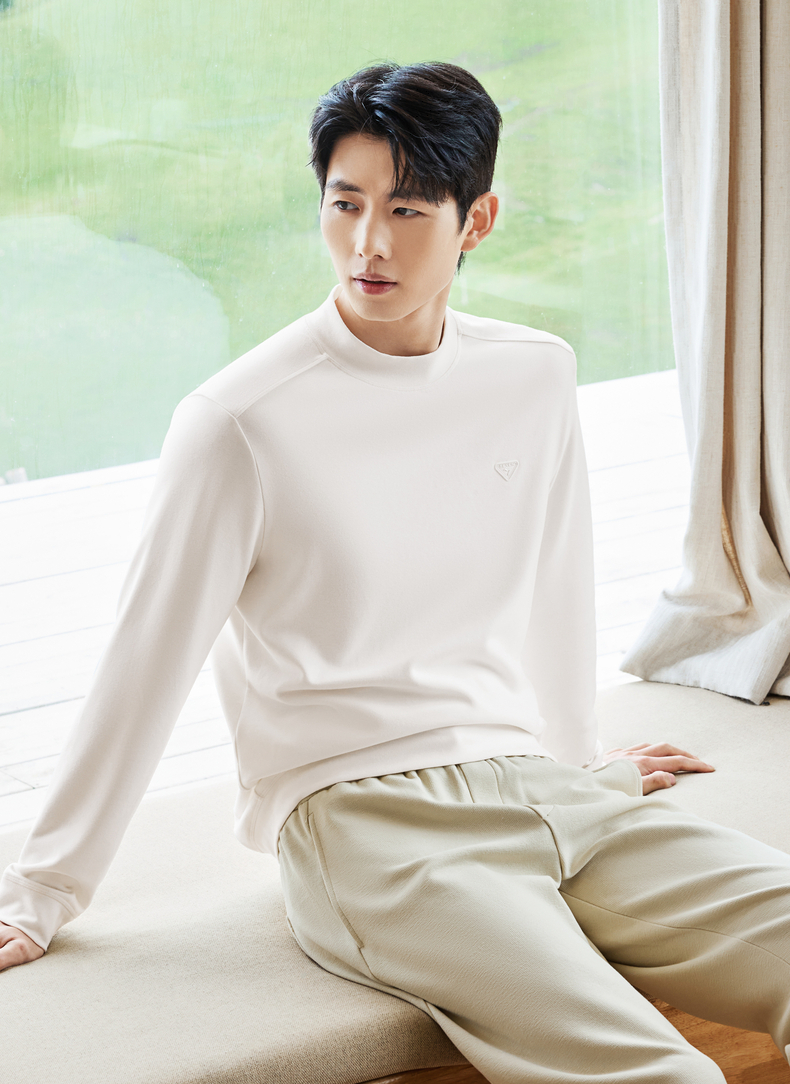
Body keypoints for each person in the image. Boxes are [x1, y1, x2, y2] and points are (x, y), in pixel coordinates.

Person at [1, 62, 789, 1084]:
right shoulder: (239, 420)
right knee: (659, 1073)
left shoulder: (531, 372)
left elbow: (555, 590)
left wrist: (578, 760)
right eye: (346, 204)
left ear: (476, 220)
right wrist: (43, 890)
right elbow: (144, 662)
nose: (369, 242)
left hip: (535, 786)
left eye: (407, 209)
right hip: (364, 828)